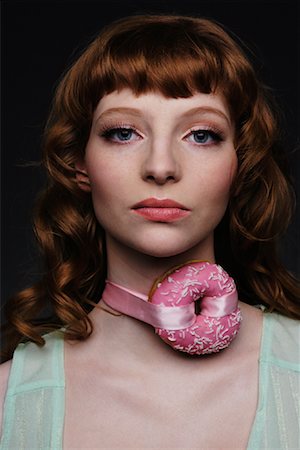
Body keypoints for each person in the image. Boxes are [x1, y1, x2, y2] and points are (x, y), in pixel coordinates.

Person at [0, 13, 299, 449]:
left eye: (201, 135)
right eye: (123, 133)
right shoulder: (8, 401)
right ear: (80, 164)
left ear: (240, 166)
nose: (161, 167)